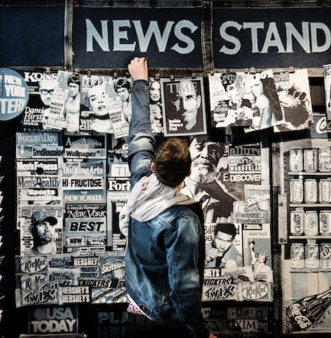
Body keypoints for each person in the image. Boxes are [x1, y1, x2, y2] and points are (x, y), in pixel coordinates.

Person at [123, 57, 215, 338]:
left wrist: (140, 81)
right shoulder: (181, 220)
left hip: (135, 309)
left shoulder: (140, 182)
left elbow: (140, 133)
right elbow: (184, 284)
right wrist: (199, 332)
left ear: (153, 166)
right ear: (187, 173)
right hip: (166, 323)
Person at [181, 138, 236, 223]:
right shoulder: (168, 194)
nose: (206, 154)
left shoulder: (231, 205)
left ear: (220, 155)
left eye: (213, 149)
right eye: (199, 147)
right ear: (187, 151)